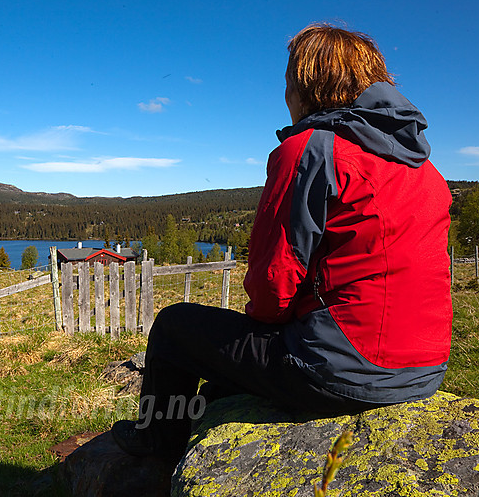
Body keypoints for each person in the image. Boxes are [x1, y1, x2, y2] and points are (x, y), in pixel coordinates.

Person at [110, 23, 453, 470]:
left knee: (175, 325)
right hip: (424, 369)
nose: (285, 94)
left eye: (288, 82)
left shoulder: (311, 150)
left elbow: (274, 285)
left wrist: (263, 330)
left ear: (306, 85)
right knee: (223, 379)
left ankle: (157, 440)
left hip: (341, 369)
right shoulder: (424, 170)